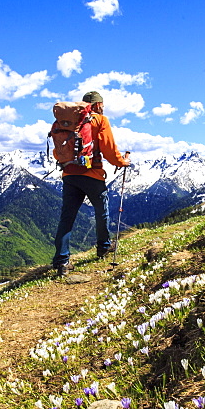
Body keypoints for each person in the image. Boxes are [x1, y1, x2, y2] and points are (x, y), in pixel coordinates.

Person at [52, 91, 131, 276]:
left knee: (67, 218)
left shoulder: (68, 122)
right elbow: (109, 148)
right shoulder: (100, 120)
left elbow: (58, 151)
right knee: (101, 211)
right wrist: (122, 162)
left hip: (69, 175)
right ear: (97, 105)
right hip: (92, 174)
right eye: (102, 105)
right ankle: (104, 247)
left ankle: (62, 262)